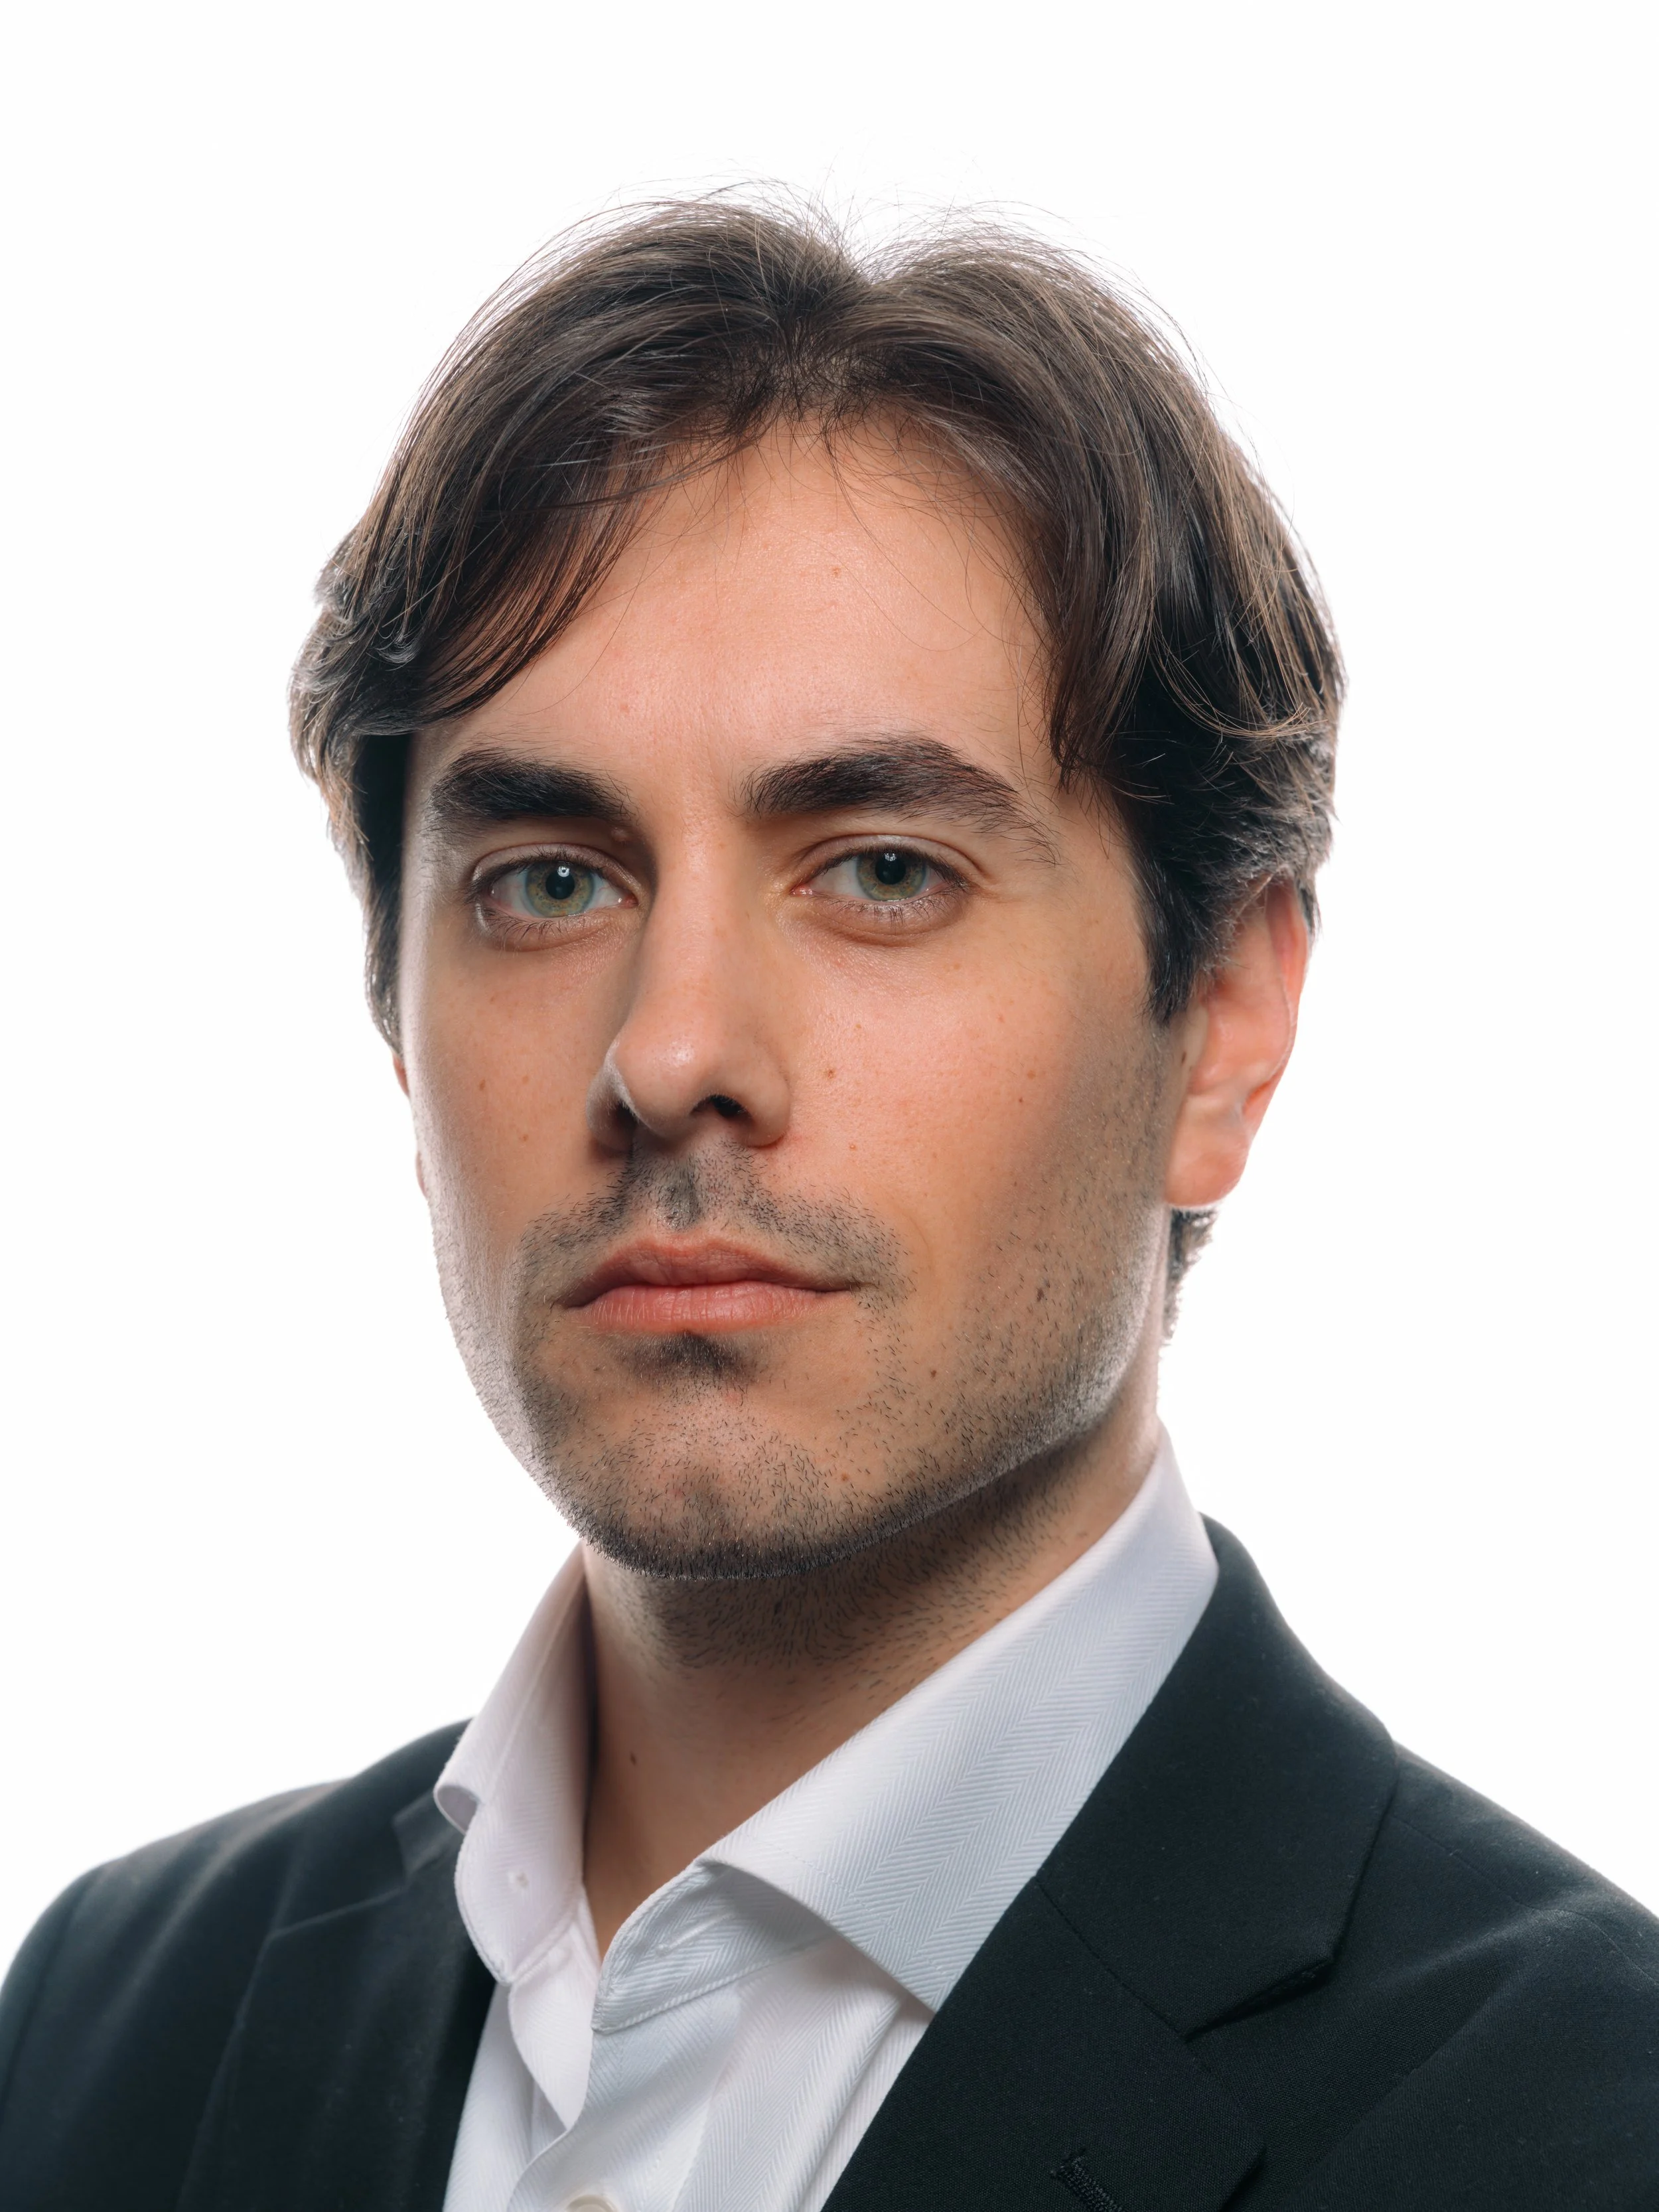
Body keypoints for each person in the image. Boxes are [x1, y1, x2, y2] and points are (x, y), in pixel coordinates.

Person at [1, 199, 1654, 2212]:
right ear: (392, 1013)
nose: (673, 1047)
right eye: (546, 877)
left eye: (878, 869)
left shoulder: (1577, 2125)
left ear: (1217, 1025)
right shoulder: (106, 2029)